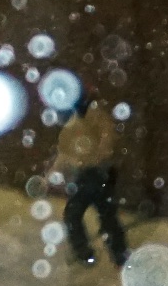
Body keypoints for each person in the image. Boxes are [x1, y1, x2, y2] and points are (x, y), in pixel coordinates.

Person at [54, 87, 128, 267]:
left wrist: (89, 162)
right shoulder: (72, 125)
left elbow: (107, 145)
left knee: (85, 214)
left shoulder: (98, 118)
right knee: (101, 214)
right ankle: (112, 254)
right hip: (89, 175)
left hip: (97, 173)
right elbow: (64, 154)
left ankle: (94, 253)